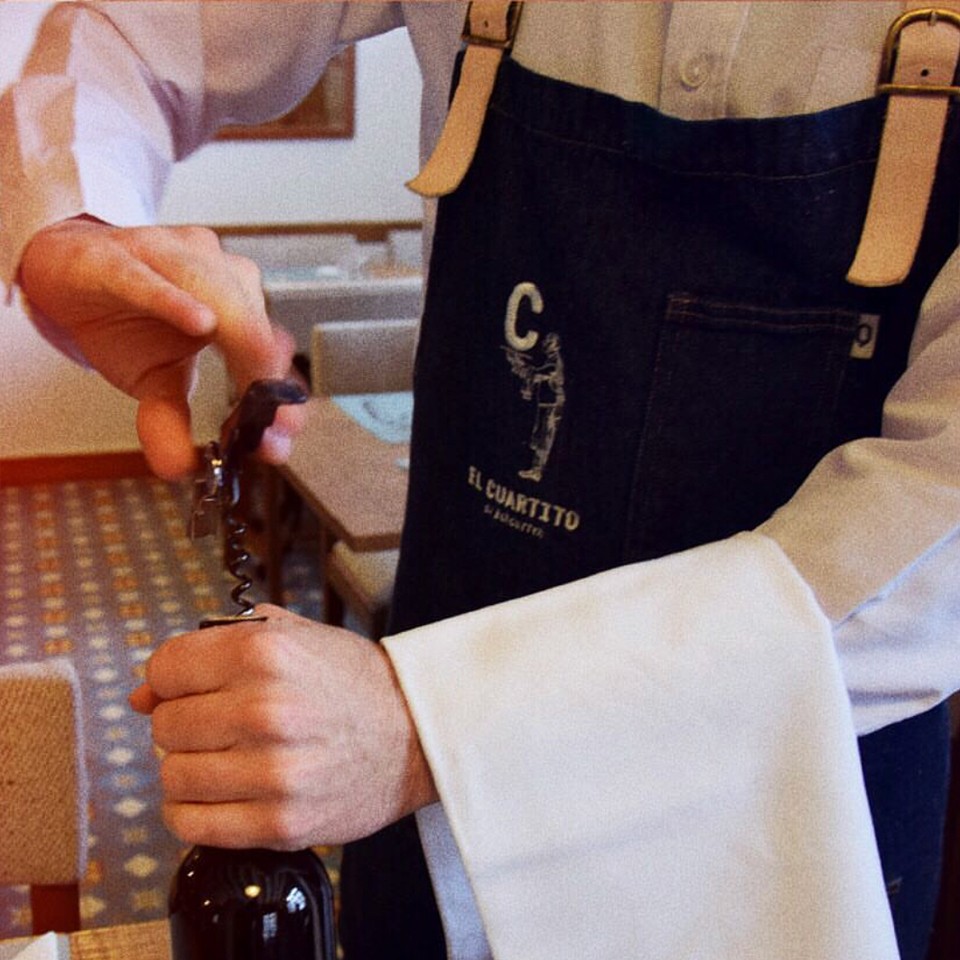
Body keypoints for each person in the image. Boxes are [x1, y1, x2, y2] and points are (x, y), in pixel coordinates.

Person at [2, 3, 959, 958]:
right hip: (428, 748)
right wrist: (75, 220)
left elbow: (938, 527)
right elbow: (135, 32)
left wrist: (436, 725)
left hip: (792, 780)